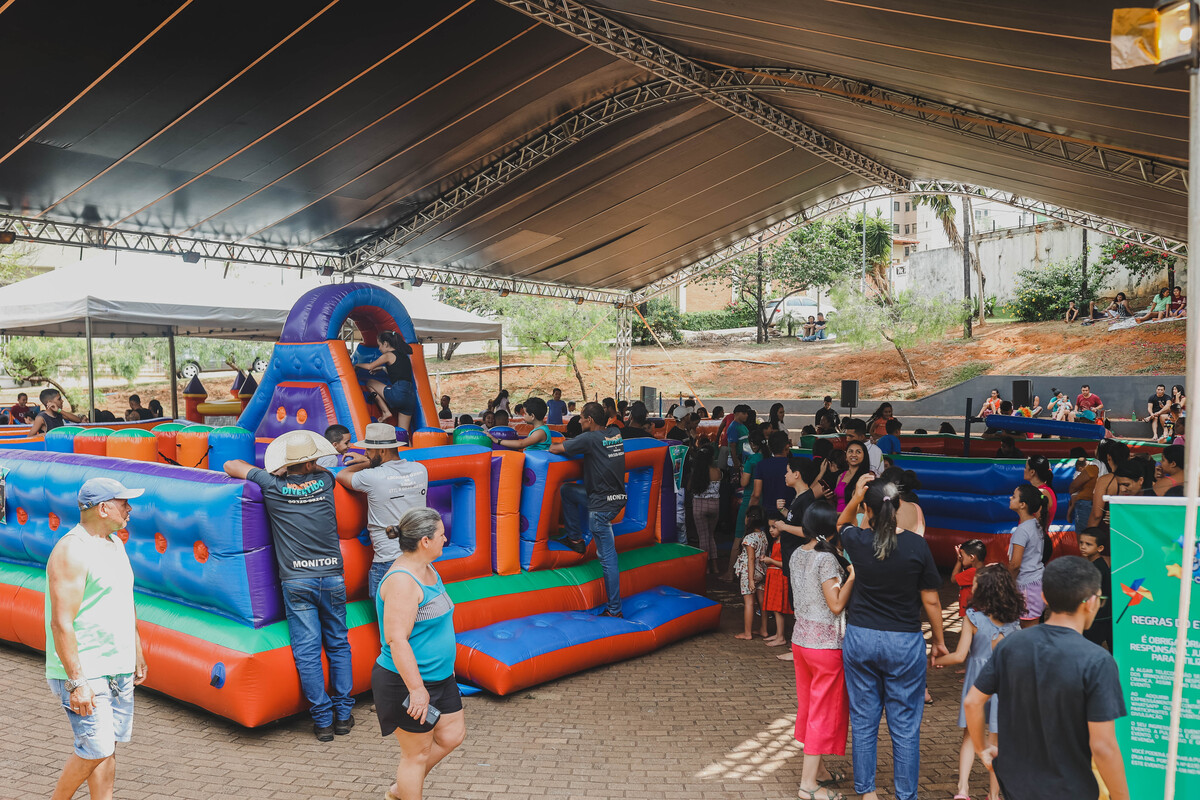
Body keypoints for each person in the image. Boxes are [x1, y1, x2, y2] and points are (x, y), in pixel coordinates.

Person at [223, 431, 354, 740]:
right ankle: (344, 716)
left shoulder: (271, 485)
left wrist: (274, 472)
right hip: (332, 575)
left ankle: (322, 721)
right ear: (310, 462)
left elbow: (231, 464)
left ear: (286, 463)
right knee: (338, 643)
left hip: (296, 580)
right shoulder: (326, 482)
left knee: (307, 652)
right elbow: (326, 469)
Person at [966, 557, 1129, 800]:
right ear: (1092, 602)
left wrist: (982, 748)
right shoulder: (1097, 660)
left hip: (1015, 784)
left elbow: (972, 702)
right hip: (1070, 788)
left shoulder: (1010, 645)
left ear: (1044, 598)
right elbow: (1103, 746)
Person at [837, 476, 947, 800]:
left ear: (868, 511)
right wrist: (939, 641)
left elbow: (840, 523)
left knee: (864, 722)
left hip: (861, 638)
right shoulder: (916, 545)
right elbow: (931, 600)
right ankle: (905, 795)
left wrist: (855, 497)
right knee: (905, 729)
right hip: (904, 642)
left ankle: (867, 793)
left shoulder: (856, 540)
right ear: (898, 507)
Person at [46, 477, 148, 800]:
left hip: (116, 664)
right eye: (123, 503)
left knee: (108, 749)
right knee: (95, 747)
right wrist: (77, 682)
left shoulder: (115, 544)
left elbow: (123, 598)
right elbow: (61, 623)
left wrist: (136, 648)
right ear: (103, 508)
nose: (129, 508)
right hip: (86, 669)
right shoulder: (71, 550)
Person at [373, 508, 465, 800]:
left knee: (452, 735)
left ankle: (403, 789)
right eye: (441, 535)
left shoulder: (428, 568)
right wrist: (417, 690)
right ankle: (404, 790)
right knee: (416, 755)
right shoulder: (402, 581)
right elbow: (397, 640)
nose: (445, 539)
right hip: (407, 682)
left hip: (439, 678)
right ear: (425, 541)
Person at [934, 564, 1023, 800]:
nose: (971, 585)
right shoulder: (1014, 621)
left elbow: (960, 656)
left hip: (977, 683)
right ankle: (993, 795)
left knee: (969, 736)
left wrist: (937, 661)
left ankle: (962, 789)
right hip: (1003, 685)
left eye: (975, 583)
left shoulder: (972, 618)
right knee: (995, 739)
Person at [789, 500, 853, 800]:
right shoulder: (826, 560)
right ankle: (808, 785)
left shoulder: (796, 554)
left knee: (809, 707)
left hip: (801, 640)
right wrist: (853, 576)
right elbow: (836, 603)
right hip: (825, 645)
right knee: (822, 713)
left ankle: (822, 771)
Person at [549, 402, 626, 617]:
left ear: (590, 420)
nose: (579, 420)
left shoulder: (589, 439)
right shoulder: (615, 432)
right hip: (616, 498)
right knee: (568, 491)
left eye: (582, 417)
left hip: (601, 508)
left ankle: (614, 610)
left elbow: (555, 448)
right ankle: (575, 539)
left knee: (608, 560)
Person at [336, 422, 430, 599]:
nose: (366, 454)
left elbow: (341, 476)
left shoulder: (373, 477)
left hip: (389, 562)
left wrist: (365, 463)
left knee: (391, 623)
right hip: (420, 558)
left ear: (382, 451)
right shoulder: (421, 470)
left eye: (369, 451)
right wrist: (370, 460)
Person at [1007, 484, 1049, 628]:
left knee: (1028, 632)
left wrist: (1008, 584)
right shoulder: (1035, 524)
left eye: (1014, 496)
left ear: (1022, 505)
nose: (1010, 498)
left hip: (1027, 587)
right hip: (1036, 583)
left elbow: (1015, 564)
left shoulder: (1023, 530)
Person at [362, 330, 417, 430]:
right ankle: (409, 446)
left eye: (379, 345)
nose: (379, 348)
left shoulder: (387, 355)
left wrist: (356, 365)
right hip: (410, 398)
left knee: (370, 383)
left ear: (386, 344)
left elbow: (370, 366)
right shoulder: (404, 356)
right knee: (403, 433)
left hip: (398, 393)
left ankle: (385, 411)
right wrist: (383, 368)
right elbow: (399, 373)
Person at [733, 506, 769, 640]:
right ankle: (764, 630)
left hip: (750, 573)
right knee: (762, 602)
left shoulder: (749, 538)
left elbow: (751, 559)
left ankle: (747, 633)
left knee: (749, 603)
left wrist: (751, 580)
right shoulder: (763, 535)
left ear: (749, 519)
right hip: (762, 572)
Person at [688, 443, 722, 574]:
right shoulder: (717, 472)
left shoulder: (696, 473)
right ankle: (715, 566)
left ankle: (706, 567)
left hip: (699, 505)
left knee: (703, 537)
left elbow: (690, 487)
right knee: (710, 536)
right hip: (714, 505)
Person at [1077, 527, 1112, 650]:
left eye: (1088, 544)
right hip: (1104, 615)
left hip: (1097, 618)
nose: (1083, 547)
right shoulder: (1098, 564)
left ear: (1100, 548)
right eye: (1081, 543)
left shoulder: (1094, 568)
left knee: (1089, 649)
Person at [760, 515, 793, 648]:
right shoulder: (776, 542)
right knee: (775, 608)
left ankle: (781, 637)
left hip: (779, 577)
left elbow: (786, 564)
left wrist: (770, 561)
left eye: (774, 527)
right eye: (769, 527)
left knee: (779, 609)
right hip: (773, 576)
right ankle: (779, 634)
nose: (771, 530)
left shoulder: (783, 544)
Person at [751, 430, 795, 522]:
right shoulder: (794, 465)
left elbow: (756, 495)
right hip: (790, 513)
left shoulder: (762, 465)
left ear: (769, 447)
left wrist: (750, 514)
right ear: (786, 447)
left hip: (768, 514)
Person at [950, 539, 987, 617]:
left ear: (971, 557)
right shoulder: (984, 570)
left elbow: (953, 579)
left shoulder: (972, 572)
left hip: (970, 613)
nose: (961, 558)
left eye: (962, 556)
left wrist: (959, 561)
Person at [1067, 446, 1099, 532]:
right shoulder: (1089, 469)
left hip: (1085, 500)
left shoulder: (1092, 468)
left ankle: (1069, 514)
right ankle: (1069, 514)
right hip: (1086, 499)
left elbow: (1073, 487)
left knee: (1084, 532)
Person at [834, 441, 872, 513]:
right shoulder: (841, 476)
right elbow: (837, 502)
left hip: (853, 520)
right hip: (837, 519)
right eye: (850, 451)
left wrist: (843, 515)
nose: (853, 455)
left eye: (858, 452)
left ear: (864, 456)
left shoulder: (866, 478)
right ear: (846, 455)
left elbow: (866, 508)